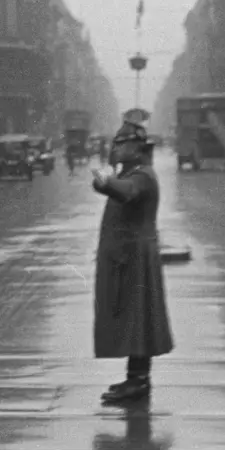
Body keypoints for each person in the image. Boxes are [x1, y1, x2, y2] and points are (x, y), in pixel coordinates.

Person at [90, 118, 174, 405]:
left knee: (138, 319)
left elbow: (126, 193)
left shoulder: (142, 176)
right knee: (134, 319)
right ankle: (135, 377)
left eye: (122, 144)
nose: (117, 148)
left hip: (135, 258)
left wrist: (104, 181)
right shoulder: (135, 171)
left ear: (137, 148)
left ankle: (139, 382)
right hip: (129, 257)